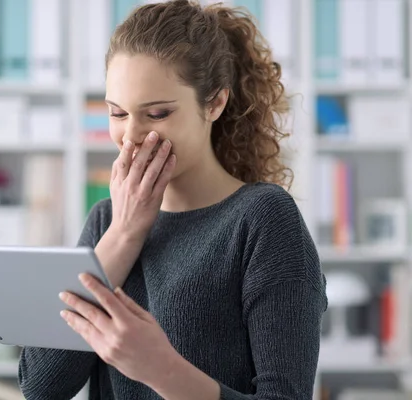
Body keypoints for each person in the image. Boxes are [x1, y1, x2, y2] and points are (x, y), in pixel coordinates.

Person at [18, 0, 328, 399]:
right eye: (117, 113)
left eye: (158, 113)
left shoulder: (262, 219)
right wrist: (125, 233)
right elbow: (40, 388)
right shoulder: (105, 221)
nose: (131, 136)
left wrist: (160, 368)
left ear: (214, 103)